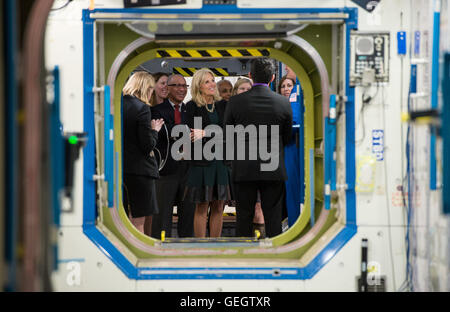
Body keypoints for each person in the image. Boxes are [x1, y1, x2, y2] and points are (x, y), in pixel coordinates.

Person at [224, 58, 293, 238]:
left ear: (250, 76)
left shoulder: (235, 102)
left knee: (244, 217)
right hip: (273, 167)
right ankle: (273, 255)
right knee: (273, 216)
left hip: (244, 168)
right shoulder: (283, 102)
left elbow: (228, 134)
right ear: (272, 77)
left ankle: (244, 256)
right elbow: (287, 137)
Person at [184, 68, 231, 238]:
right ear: (198, 86)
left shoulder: (223, 105)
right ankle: (200, 246)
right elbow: (190, 135)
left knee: (219, 206)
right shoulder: (191, 107)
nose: (212, 84)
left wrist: (205, 133)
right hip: (201, 164)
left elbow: (230, 132)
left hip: (221, 162)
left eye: (212, 80)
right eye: (207, 82)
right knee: (201, 206)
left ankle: (215, 244)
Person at [151, 74, 195, 239]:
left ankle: (187, 250)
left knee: (188, 214)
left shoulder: (190, 109)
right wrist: (183, 131)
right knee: (162, 216)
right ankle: (160, 250)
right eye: (177, 85)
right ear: (167, 88)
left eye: (184, 86)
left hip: (188, 169)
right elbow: (164, 132)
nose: (182, 89)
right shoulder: (156, 110)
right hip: (166, 170)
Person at [122, 71, 164, 236]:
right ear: (146, 88)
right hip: (140, 171)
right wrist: (155, 130)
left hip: (121, 169)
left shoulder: (117, 105)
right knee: (139, 220)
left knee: (124, 217)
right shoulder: (142, 108)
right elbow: (147, 145)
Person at [231, 77, 265, 237]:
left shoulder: (260, 110)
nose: (245, 92)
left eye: (248, 89)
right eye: (241, 89)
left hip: (259, 165)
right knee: (243, 209)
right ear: (235, 92)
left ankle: (260, 245)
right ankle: (243, 244)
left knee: (258, 207)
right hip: (238, 167)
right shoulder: (231, 111)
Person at [278, 71, 303, 228]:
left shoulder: (296, 97)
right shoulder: (279, 105)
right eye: (283, 86)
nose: (286, 89)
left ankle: (294, 225)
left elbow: (294, 124)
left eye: (289, 86)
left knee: (294, 191)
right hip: (284, 153)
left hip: (293, 150)